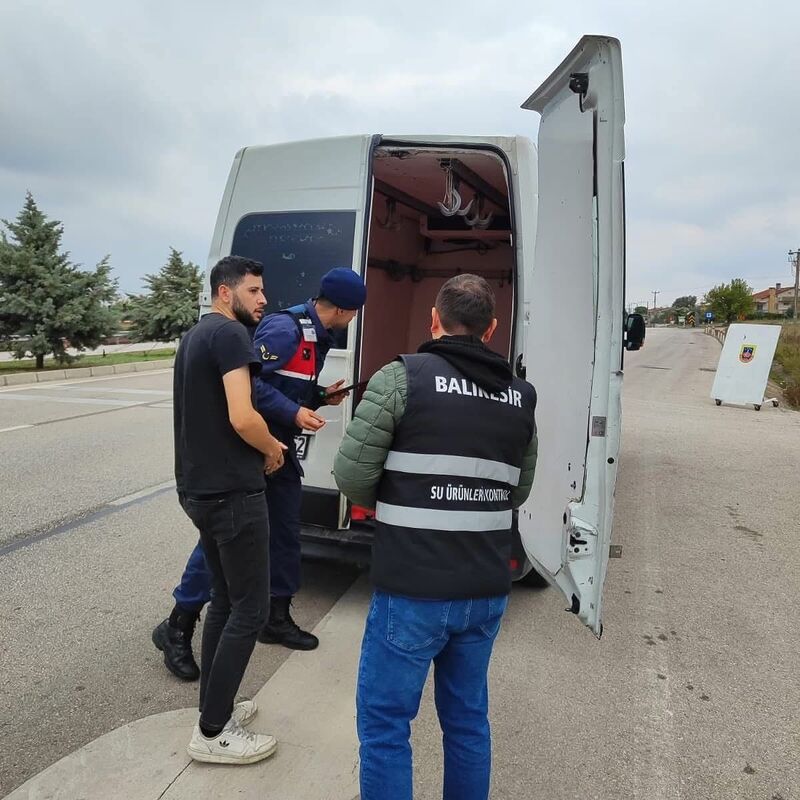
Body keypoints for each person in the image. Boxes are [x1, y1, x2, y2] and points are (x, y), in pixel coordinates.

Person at [333, 274, 538, 800]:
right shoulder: (521, 397)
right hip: (485, 589)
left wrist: (407, 501)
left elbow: (352, 476)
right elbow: (518, 489)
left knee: (385, 726)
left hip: (412, 589)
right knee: (467, 722)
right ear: (490, 329)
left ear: (433, 320)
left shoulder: (401, 378)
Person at [152, 267, 366, 679]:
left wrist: (320, 397)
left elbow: (287, 387)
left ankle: (276, 617)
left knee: (284, 532)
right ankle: (177, 624)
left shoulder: (317, 335)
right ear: (342, 309)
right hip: (256, 450)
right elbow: (251, 387)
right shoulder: (285, 330)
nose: (354, 319)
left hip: (279, 451)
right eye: (355, 312)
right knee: (224, 540)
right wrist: (293, 413)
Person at [173, 254, 286, 765]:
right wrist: (272, 448)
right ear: (226, 292)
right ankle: (213, 732)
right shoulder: (232, 335)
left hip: (199, 490)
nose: (264, 299)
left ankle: (213, 707)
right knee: (251, 609)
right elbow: (243, 416)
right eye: (254, 290)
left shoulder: (196, 335)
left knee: (223, 600)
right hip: (233, 493)